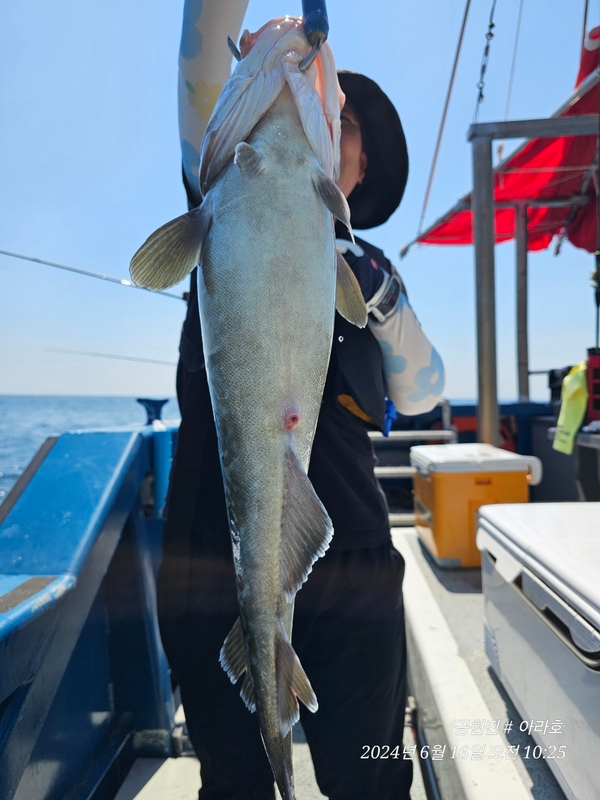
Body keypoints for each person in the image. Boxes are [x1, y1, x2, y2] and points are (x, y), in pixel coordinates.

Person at [157, 52, 444, 800]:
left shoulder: (372, 274)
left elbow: (423, 396)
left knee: (371, 779)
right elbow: (203, 40)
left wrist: (382, 296)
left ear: (359, 163)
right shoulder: (224, 188)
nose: (322, 110)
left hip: (352, 563)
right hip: (209, 559)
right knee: (235, 785)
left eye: (342, 116)